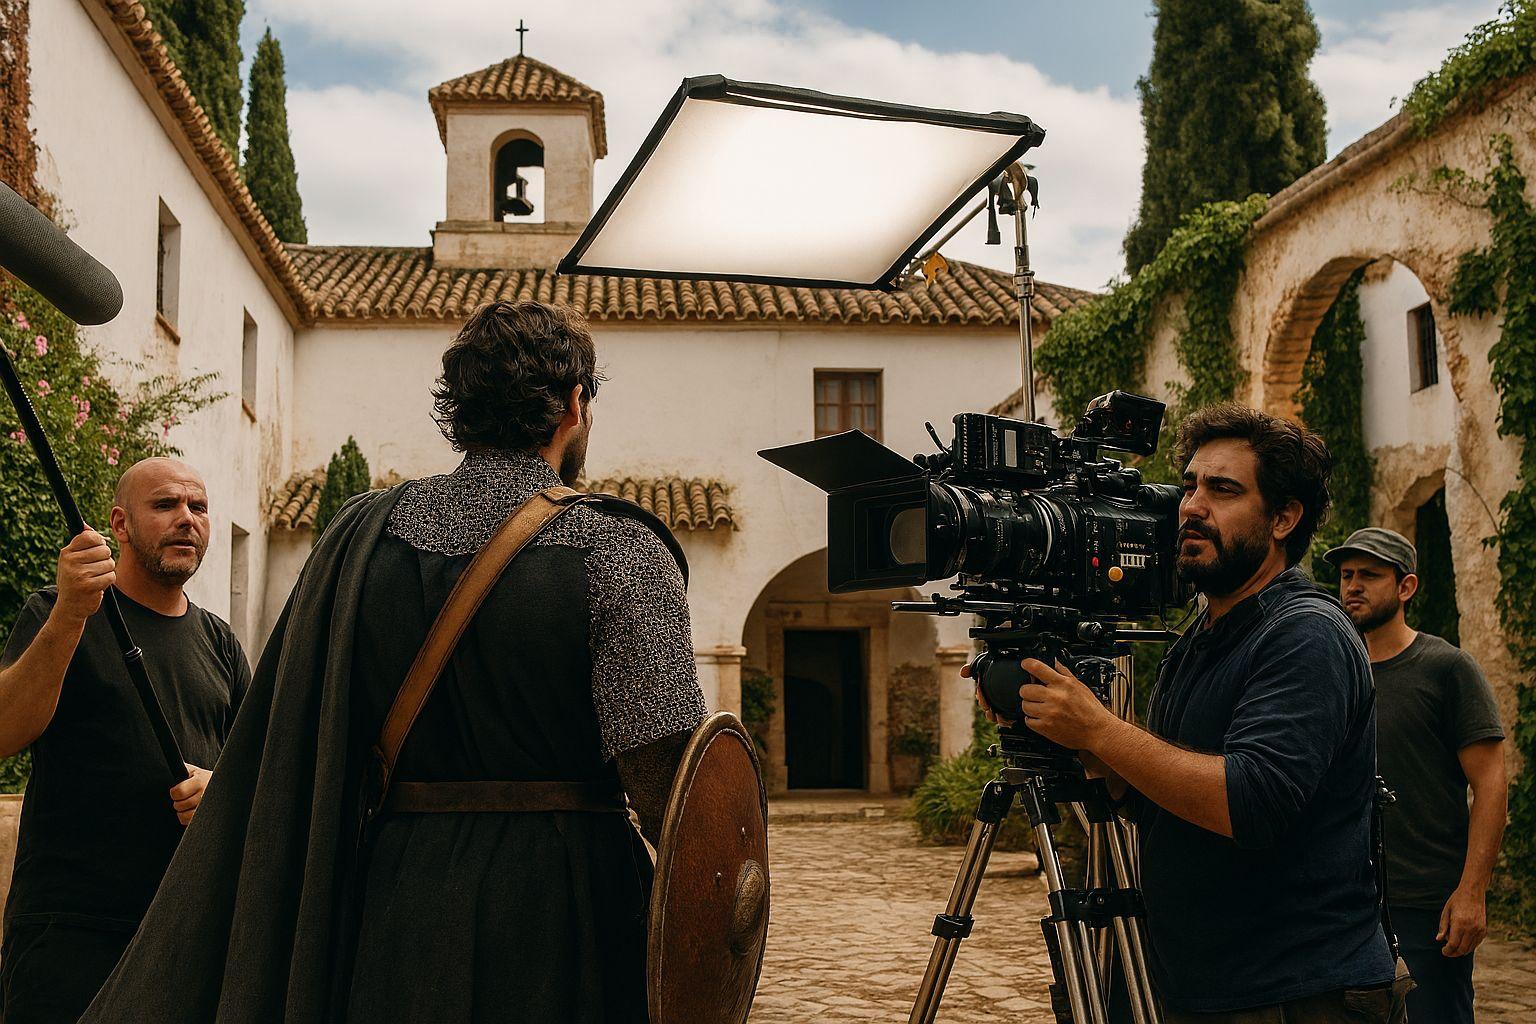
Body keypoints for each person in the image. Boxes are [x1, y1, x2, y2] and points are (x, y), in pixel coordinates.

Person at [79, 300, 707, 1024]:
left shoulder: (360, 540)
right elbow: (669, 778)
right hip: (567, 912)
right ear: (574, 406)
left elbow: (295, 742)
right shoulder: (621, 549)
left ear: (462, 411)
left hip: (400, 902)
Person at [976, 404, 1402, 1022]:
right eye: (1189, 486)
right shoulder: (1199, 636)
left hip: (1294, 993)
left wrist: (1101, 727)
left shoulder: (1306, 634)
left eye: (1223, 490)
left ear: (1284, 518)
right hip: (1200, 986)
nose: (1191, 506)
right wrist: (1058, 725)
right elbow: (1156, 792)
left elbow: (1249, 801)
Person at [0, 457, 248, 1024]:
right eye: (165, 505)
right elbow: (5, 731)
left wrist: (221, 790)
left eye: (198, 506)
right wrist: (69, 614)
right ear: (119, 524)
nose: (187, 518)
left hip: (184, 931)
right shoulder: (58, 612)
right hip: (69, 937)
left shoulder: (220, 642)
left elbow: (255, 771)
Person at [1329, 527, 1506, 1024]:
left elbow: (1491, 782)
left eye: (1369, 575)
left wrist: (1472, 891)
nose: (1353, 586)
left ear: (1405, 587)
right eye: (1346, 575)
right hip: (1342, 902)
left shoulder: (1446, 668)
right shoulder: (1332, 670)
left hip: (1426, 905)